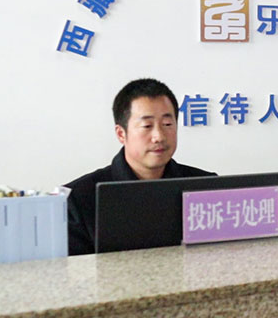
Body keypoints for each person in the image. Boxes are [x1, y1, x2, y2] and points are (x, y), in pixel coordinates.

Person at [64, 78, 215, 255]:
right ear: (121, 134)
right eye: (147, 126)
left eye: (167, 124)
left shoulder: (206, 187)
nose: (159, 136)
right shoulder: (78, 200)